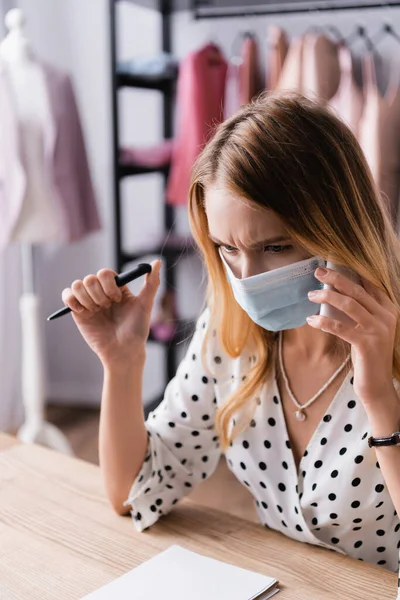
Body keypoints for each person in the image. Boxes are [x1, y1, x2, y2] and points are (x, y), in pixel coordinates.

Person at [63, 92, 400, 595]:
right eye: (227, 249)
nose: (248, 278)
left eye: (275, 247)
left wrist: (378, 398)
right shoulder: (230, 336)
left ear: (340, 224)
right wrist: (123, 362)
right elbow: (136, 493)